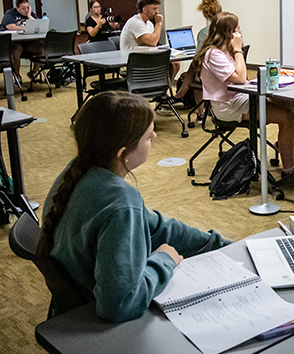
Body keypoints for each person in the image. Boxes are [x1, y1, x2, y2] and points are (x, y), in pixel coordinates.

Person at [38, 91, 228, 322]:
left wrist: (219, 245)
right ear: (122, 154)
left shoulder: (77, 172)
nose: (155, 138)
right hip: (101, 327)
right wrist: (163, 260)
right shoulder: (121, 203)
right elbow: (118, 306)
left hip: (73, 309)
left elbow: (157, 227)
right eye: (148, 137)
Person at [191, 11, 294, 175]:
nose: (240, 32)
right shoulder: (214, 54)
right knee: (287, 117)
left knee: (292, 106)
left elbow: (243, 79)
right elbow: (240, 79)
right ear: (229, 32)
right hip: (227, 106)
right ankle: (290, 171)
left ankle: (282, 147)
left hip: (240, 98)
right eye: (238, 29)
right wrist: (239, 50)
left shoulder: (225, 50)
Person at [174, 0, 222, 112]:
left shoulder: (204, 33)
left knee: (196, 71)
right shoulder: (231, 29)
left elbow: (199, 58)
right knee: (194, 68)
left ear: (205, 14)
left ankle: (200, 111)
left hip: (213, 73)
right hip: (229, 69)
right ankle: (182, 91)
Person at [120, 0, 179, 80]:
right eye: (154, 9)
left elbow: (151, 43)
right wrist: (159, 23)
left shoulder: (149, 24)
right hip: (133, 60)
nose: (157, 12)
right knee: (170, 64)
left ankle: (163, 88)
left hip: (145, 57)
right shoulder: (135, 22)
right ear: (144, 9)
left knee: (176, 63)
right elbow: (152, 42)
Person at [1, 0, 45, 82]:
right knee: (16, 51)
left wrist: (29, 15)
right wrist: (26, 28)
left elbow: (38, 25)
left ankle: (33, 72)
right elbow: (10, 26)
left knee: (42, 49)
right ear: (17, 8)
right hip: (15, 42)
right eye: (23, 8)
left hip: (28, 42)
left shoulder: (30, 14)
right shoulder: (10, 13)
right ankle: (17, 76)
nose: (26, 10)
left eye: (27, 7)